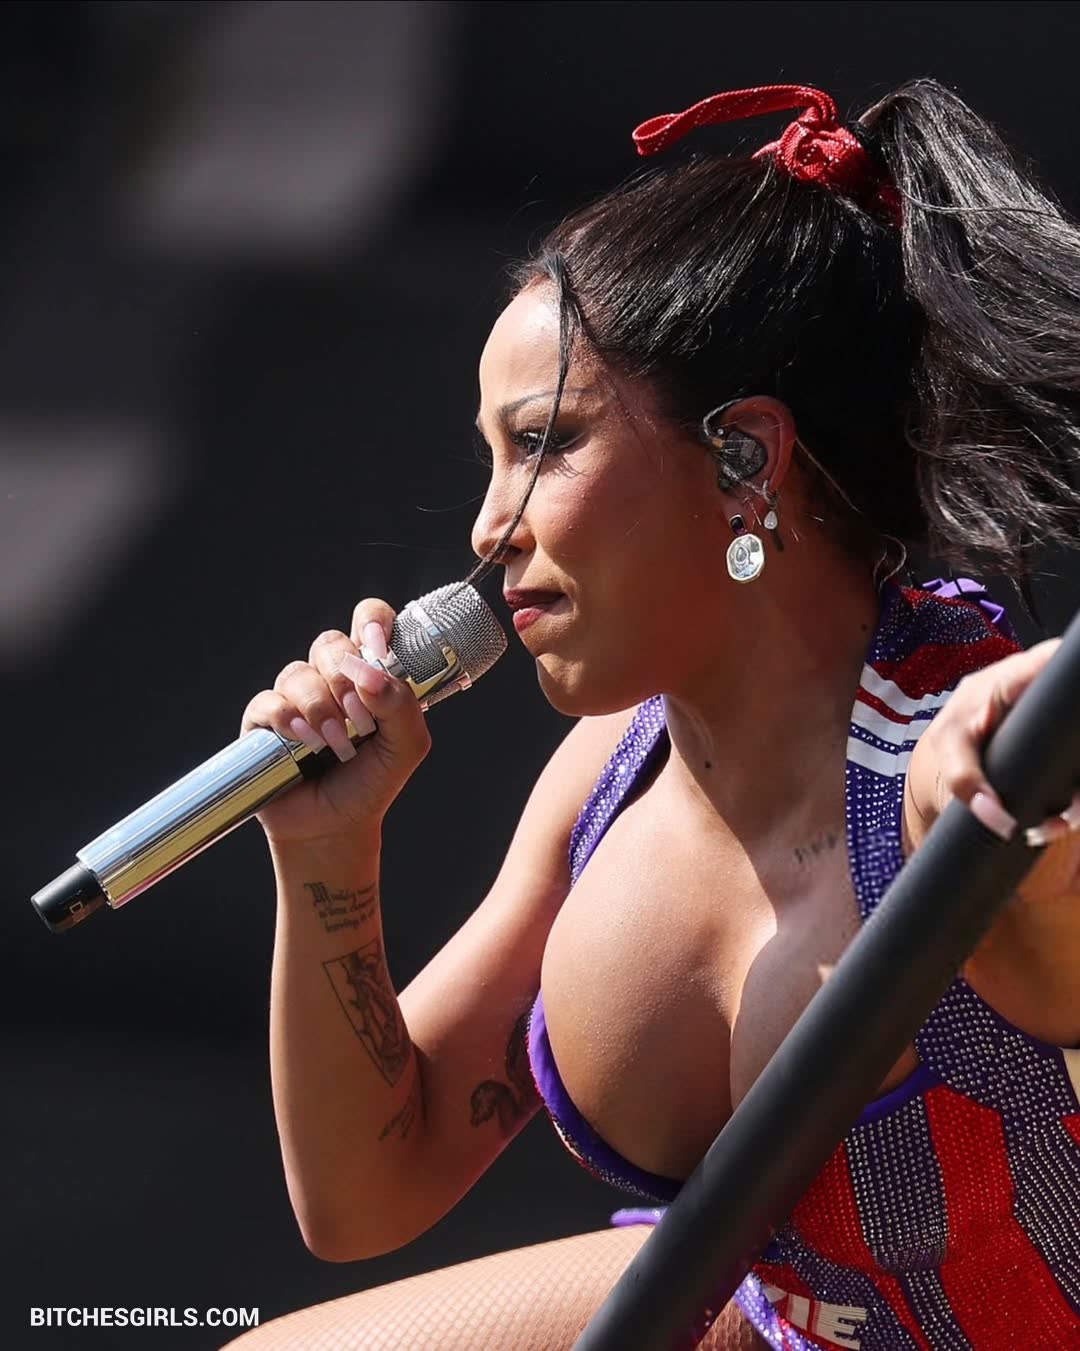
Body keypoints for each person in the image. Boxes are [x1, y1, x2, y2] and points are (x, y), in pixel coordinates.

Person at [225, 81, 1080, 1350]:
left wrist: (1033, 843)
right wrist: (324, 852)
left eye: (545, 443)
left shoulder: (978, 754)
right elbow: (364, 1194)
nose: (490, 526)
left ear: (744, 458)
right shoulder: (605, 779)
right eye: (491, 456)